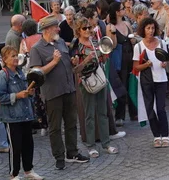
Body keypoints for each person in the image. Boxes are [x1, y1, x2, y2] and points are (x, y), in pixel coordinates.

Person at [29, 14, 86, 169]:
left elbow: (68, 63)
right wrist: (54, 62)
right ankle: (59, 156)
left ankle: (72, 152)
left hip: (68, 88)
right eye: (55, 27)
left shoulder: (60, 42)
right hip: (53, 93)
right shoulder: (36, 49)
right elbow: (36, 73)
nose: (59, 29)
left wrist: (73, 61)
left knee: (71, 123)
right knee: (55, 127)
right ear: (47, 29)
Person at [0, 46, 42, 180]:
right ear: (5, 59)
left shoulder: (21, 72)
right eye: (12, 56)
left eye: (16, 55)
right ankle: (14, 175)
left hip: (25, 114)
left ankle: (28, 170)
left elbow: (26, 92)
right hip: (12, 117)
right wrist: (17, 95)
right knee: (16, 146)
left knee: (28, 144)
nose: (15, 58)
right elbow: (0, 97)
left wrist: (30, 93)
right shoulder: (2, 76)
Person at [71, 18, 116, 157]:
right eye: (84, 28)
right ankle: (91, 145)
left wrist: (105, 55)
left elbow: (104, 59)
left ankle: (106, 143)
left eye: (89, 27)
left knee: (103, 112)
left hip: (99, 79)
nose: (87, 30)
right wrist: (86, 60)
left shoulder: (95, 42)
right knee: (89, 114)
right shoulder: (76, 46)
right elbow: (75, 70)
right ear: (78, 30)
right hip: (86, 82)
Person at [132, 17, 169, 147]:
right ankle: (156, 136)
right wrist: (146, 65)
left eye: (153, 28)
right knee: (150, 108)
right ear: (143, 30)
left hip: (161, 79)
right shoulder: (138, 46)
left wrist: (165, 64)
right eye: (148, 28)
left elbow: (166, 59)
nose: (151, 31)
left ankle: (165, 135)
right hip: (147, 81)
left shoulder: (162, 43)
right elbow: (136, 67)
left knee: (160, 108)